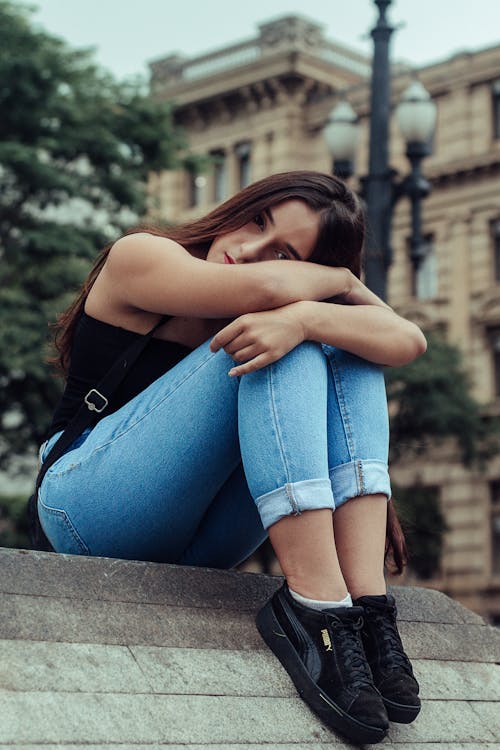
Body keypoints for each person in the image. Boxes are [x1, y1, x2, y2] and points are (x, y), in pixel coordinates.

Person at [37, 171, 426, 745]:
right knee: (280, 337)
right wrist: (333, 287)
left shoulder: (286, 301)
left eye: (283, 252)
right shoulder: (141, 256)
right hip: (86, 505)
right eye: (258, 221)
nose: (247, 251)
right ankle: (316, 603)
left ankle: (366, 608)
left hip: (207, 542)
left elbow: (407, 340)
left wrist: (315, 312)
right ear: (241, 204)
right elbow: (271, 295)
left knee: (340, 341)